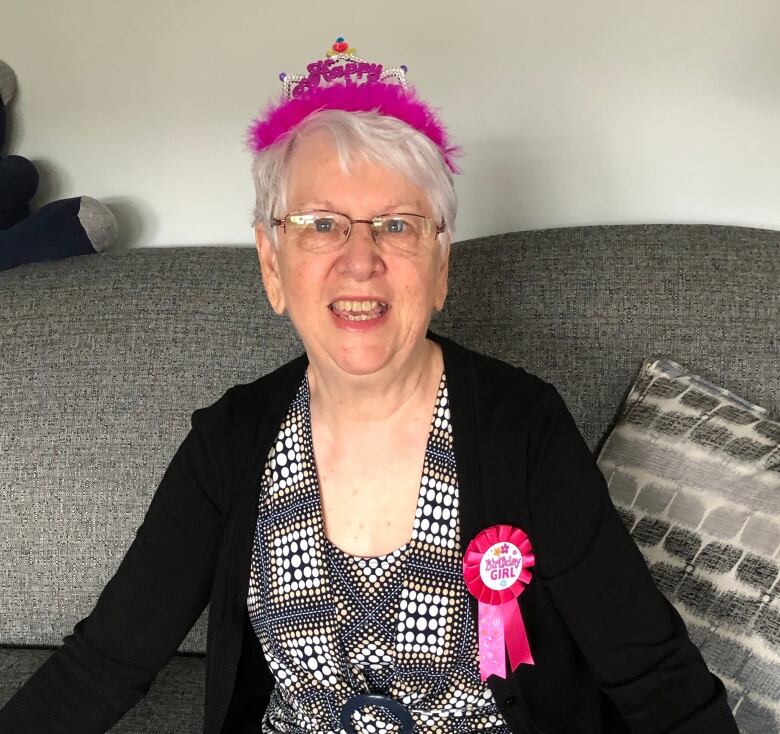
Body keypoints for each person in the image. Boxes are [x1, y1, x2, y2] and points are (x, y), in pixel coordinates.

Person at [0, 39, 739, 734]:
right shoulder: (227, 444)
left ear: (440, 264)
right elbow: (103, 664)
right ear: (271, 263)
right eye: (321, 225)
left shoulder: (523, 428)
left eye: (395, 224)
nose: (360, 261)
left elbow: (656, 676)